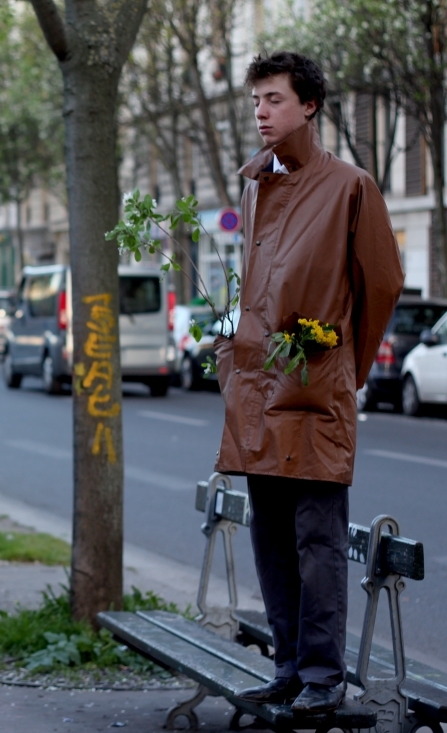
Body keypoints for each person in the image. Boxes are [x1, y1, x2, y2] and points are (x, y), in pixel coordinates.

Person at [215, 52, 404, 713]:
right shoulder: (254, 188)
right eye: (257, 102)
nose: (262, 113)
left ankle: (323, 676)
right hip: (261, 388)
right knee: (269, 533)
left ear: (309, 106)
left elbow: (381, 284)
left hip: (315, 388)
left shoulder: (351, 187)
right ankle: (290, 665)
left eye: (273, 100)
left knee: (318, 538)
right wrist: (232, 351)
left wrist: (343, 362)